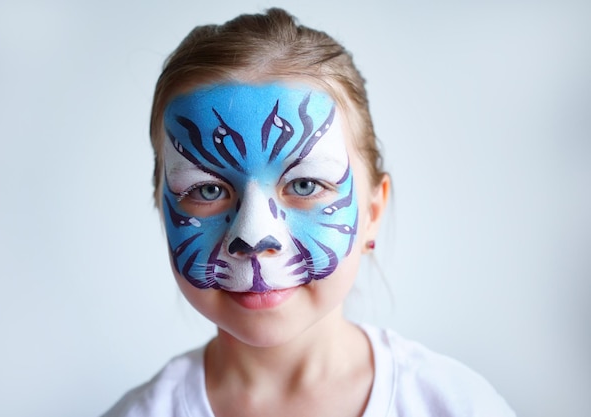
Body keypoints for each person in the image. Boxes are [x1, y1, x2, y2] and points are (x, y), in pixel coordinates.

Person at [101, 8, 516, 417]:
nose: (253, 237)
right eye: (207, 190)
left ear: (372, 211)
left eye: (304, 185)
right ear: (161, 210)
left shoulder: (457, 405)